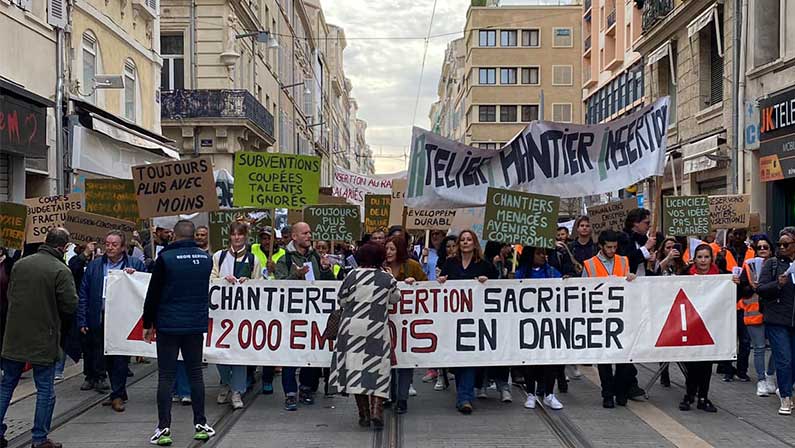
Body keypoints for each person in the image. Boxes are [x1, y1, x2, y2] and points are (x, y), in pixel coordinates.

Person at [0, 228, 78, 448]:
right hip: (44, 337)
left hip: (14, 336)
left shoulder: (20, 264)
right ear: (63, 247)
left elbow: (10, 295)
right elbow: (70, 304)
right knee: (45, 390)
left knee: (6, 387)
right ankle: (39, 439)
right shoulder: (60, 270)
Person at [143, 220, 215, 445]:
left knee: (166, 375)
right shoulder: (206, 259)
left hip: (168, 324)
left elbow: (153, 293)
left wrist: (148, 322)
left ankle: (163, 429)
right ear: (194, 235)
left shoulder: (165, 259)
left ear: (174, 235)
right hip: (195, 323)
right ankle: (201, 424)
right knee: (195, 373)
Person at [329, 243, 400, 429]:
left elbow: (342, 300)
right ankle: (377, 410)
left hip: (351, 329)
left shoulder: (352, 275)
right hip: (376, 329)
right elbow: (395, 298)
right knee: (378, 369)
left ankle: (364, 414)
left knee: (355, 370)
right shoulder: (386, 278)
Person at [78, 231, 145, 412]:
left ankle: (117, 394)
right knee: (104, 357)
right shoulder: (95, 266)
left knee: (121, 358)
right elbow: (84, 293)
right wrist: (83, 319)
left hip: (124, 319)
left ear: (123, 247)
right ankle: (119, 391)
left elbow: (145, 288)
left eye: (114, 244)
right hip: (100, 317)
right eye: (107, 243)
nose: (109, 247)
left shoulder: (135, 264)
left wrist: (134, 276)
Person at [275, 222, 335, 411]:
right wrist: (296, 275)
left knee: (312, 351)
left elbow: (330, 285)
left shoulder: (315, 256)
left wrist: (325, 270)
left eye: (310, 232)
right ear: (294, 236)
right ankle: (290, 393)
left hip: (313, 314)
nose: (310, 236)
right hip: (291, 315)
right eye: (305, 233)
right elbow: (279, 285)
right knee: (290, 355)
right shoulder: (284, 258)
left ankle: (306, 388)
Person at [437, 230, 498, 414]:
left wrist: (487, 281)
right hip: (453, 319)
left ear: (475, 243)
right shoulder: (450, 263)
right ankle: (464, 393)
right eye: (462, 240)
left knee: (469, 358)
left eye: (468, 239)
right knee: (458, 359)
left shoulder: (483, 264)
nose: (465, 242)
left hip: (475, 320)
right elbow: (442, 283)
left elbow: (497, 284)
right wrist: (441, 280)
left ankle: (465, 398)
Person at [582, 230, 638, 409]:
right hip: (599, 316)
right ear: (601, 246)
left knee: (623, 357)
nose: (612, 250)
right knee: (604, 358)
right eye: (609, 247)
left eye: (615, 247)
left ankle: (620, 391)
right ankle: (607, 394)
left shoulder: (623, 261)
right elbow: (583, 288)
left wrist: (631, 278)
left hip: (620, 316)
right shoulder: (589, 264)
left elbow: (630, 283)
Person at [211, 221, 262, 410]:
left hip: (242, 314)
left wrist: (248, 282)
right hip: (221, 313)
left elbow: (260, 284)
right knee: (219, 351)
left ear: (245, 237)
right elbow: (210, 278)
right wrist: (224, 280)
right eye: (234, 234)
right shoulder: (219, 256)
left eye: (240, 235)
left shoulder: (252, 259)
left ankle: (237, 391)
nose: (237, 238)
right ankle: (227, 382)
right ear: (229, 237)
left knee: (239, 353)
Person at [515, 246, 565, 410]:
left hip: (548, 322)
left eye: (544, 253)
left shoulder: (551, 272)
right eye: (539, 253)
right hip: (528, 323)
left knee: (549, 360)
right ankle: (531, 393)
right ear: (531, 255)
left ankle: (549, 394)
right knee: (529, 360)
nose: (543, 256)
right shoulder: (521, 273)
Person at [384, 236, 427, 414]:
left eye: (392, 249)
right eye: (386, 249)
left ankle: (402, 399)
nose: (388, 252)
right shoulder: (380, 266)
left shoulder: (412, 266)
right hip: (386, 321)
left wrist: (414, 284)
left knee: (405, 360)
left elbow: (427, 288)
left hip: (408, 322)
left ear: (400, 250)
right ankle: (388, 394)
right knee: (386, 361)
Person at [733, 235, 777, 397]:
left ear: (771, 249)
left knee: (777, 348)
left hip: (774, 314)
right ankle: (761, 380)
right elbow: (741, 292)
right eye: (760, 247)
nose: (763, 250)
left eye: (766, 247)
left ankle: (770, 375)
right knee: (758, 349)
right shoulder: (748, 266)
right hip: (754, 313)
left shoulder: (777, 265)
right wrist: (750, 286)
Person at [678, 243, 721, 413]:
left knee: (706, 364)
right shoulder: (685, 275)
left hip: (711, 325)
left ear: (712, 258)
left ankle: (703, 397)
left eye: (707, 257)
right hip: (690, 325)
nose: (703, 260)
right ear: (694, 259)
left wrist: (735, 283)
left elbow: (735, 296)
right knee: (693, 363)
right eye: (700, 257)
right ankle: (689, 395)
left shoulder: (721, 276)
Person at [757, 227, 795, 415]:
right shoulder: (772, 263)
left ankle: (787, 388)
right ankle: (786, 397)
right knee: (784, 359)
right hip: (777, 320)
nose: (781, 247)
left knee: (793, 361)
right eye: (779, 244)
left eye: (786, 244)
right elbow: (761, 289)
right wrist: (777, 285)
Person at [653, 237, 686, 387]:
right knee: (664, 341)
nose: (672, 250)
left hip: (680, 309)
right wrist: (668, 258)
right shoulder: (659, 263)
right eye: (668, 247)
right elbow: (654, 273)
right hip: (662, 308)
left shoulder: (682, 266)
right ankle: (664, 372)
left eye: (674, 247)